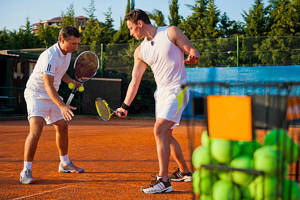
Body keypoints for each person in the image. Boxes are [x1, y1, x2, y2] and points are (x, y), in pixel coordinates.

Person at [116, 9, 200, 193]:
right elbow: (135, 80)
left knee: (159, 129)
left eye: (131, 28)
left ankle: (163, 181)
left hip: (178, 88)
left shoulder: (170, 32)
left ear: (140, 23)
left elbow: (191, 48)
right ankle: (184, 172)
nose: (131, 33)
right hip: (161, 93)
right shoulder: (140, 51)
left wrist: (193, 55)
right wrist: (125, 105)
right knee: (167, 134)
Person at [20, 26, 84, 184]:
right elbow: (48, 85)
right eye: (72, 43)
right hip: (36, 94)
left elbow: (60, 73)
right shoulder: (50, 56)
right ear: (62, 40)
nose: (75, 47)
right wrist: (62, 105)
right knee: (36, 128)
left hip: (51, 94)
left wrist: (71, 81)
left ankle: (64, 163)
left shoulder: (67, 54)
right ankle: (25, 170)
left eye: (77, 43)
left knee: (62, 126)